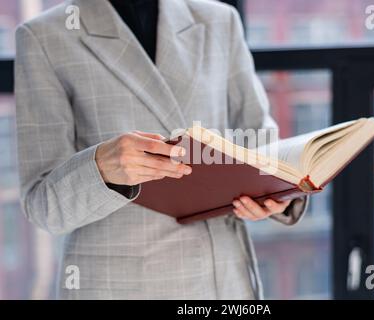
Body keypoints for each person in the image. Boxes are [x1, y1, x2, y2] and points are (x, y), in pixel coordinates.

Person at [15, 0, 308, 300]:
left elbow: (262, 145)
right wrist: (101, 169)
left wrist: (277, 195)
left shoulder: (220, 20)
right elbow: (42, 205)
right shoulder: (45, 37)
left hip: (222, 279)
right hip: (119, 286)